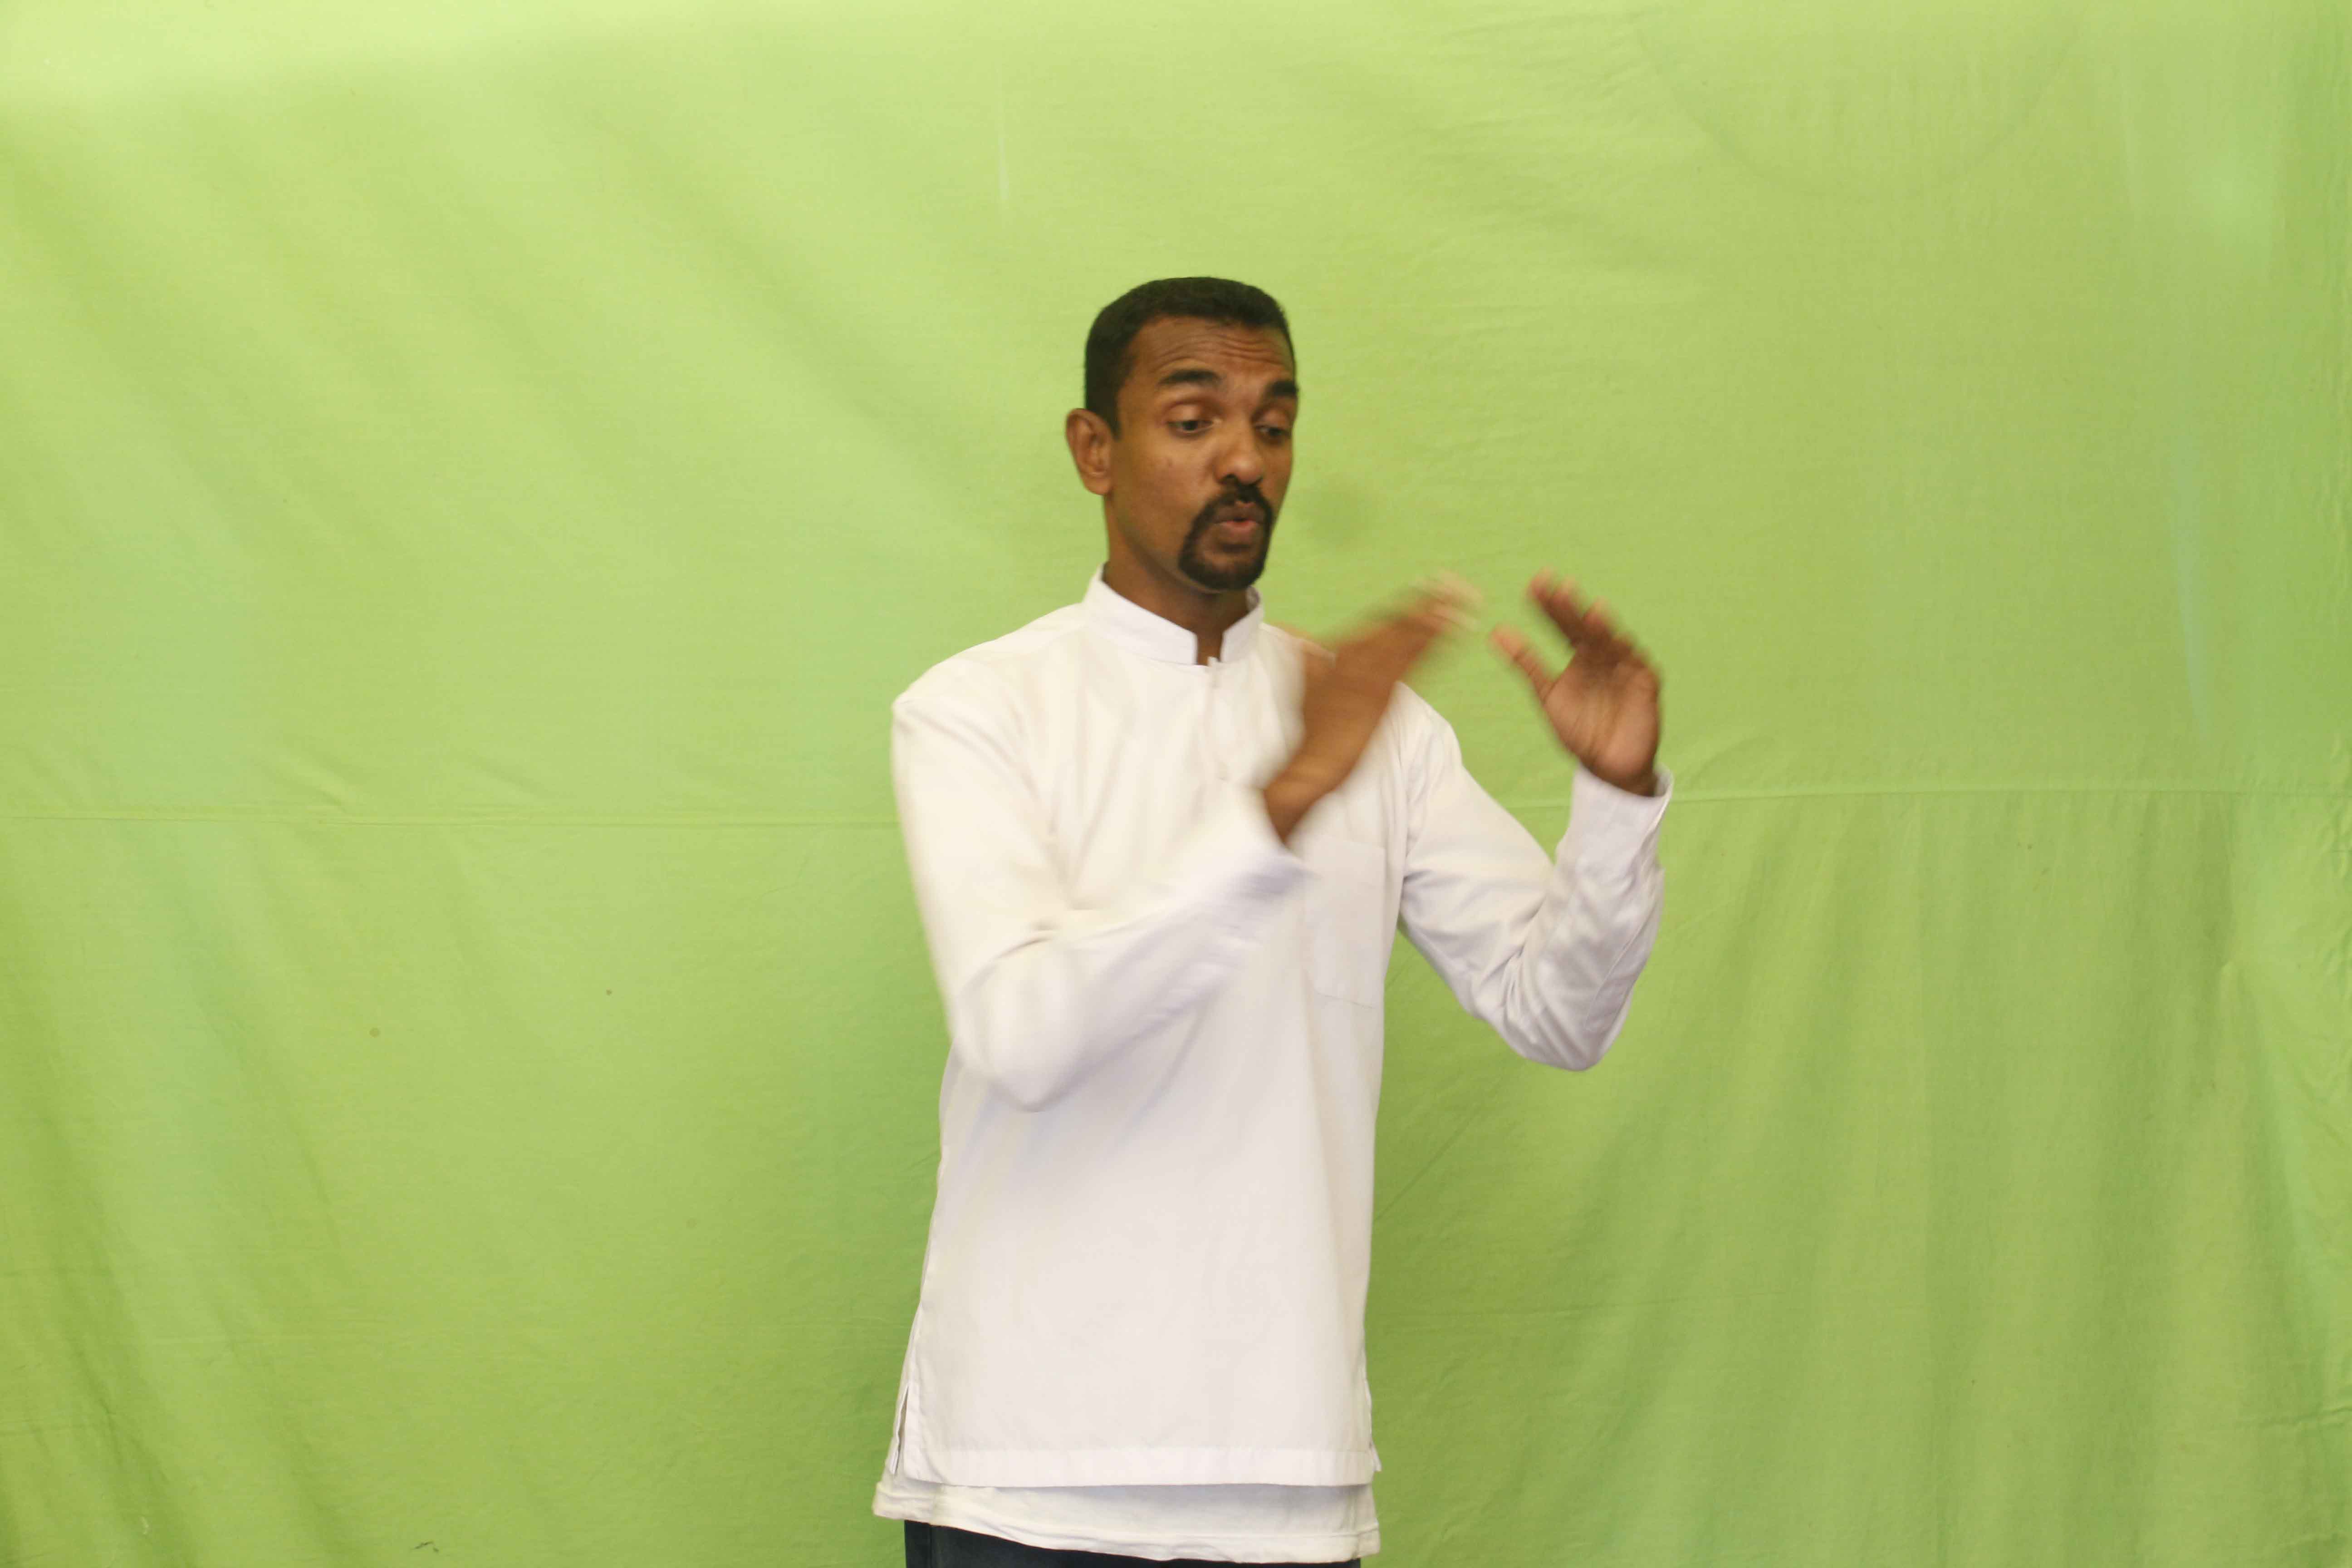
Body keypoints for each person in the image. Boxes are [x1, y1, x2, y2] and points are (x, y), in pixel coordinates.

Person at [872, 277, 1671, 1567]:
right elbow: (1022, 1034)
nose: (1245, 460)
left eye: (1275, 423)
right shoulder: (979, 710)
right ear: (1095, 450)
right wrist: (1288, 796)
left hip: (1291, 1478)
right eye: (1194, 422)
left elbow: (1559, 1013)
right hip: (1028, 1472)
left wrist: (1618, 799)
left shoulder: (1379, 728)